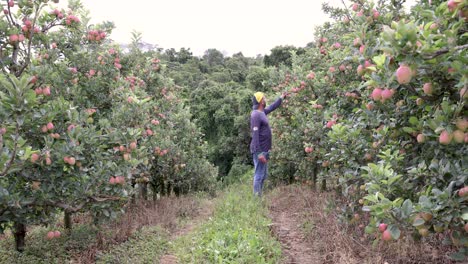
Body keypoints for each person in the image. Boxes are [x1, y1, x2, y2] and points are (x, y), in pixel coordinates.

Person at [250, 91, 287, 196]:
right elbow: (255, 134)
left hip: (264, 149)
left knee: (263, 174)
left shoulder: (262, 112)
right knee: (259, 175)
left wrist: (281, 98)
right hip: (259, 150)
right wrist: (259, 153)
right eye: (264, 98)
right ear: (261, 101)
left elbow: (272, 107)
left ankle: (259, 196)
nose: (265, 100)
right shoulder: (256, 115)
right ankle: (257, 198)